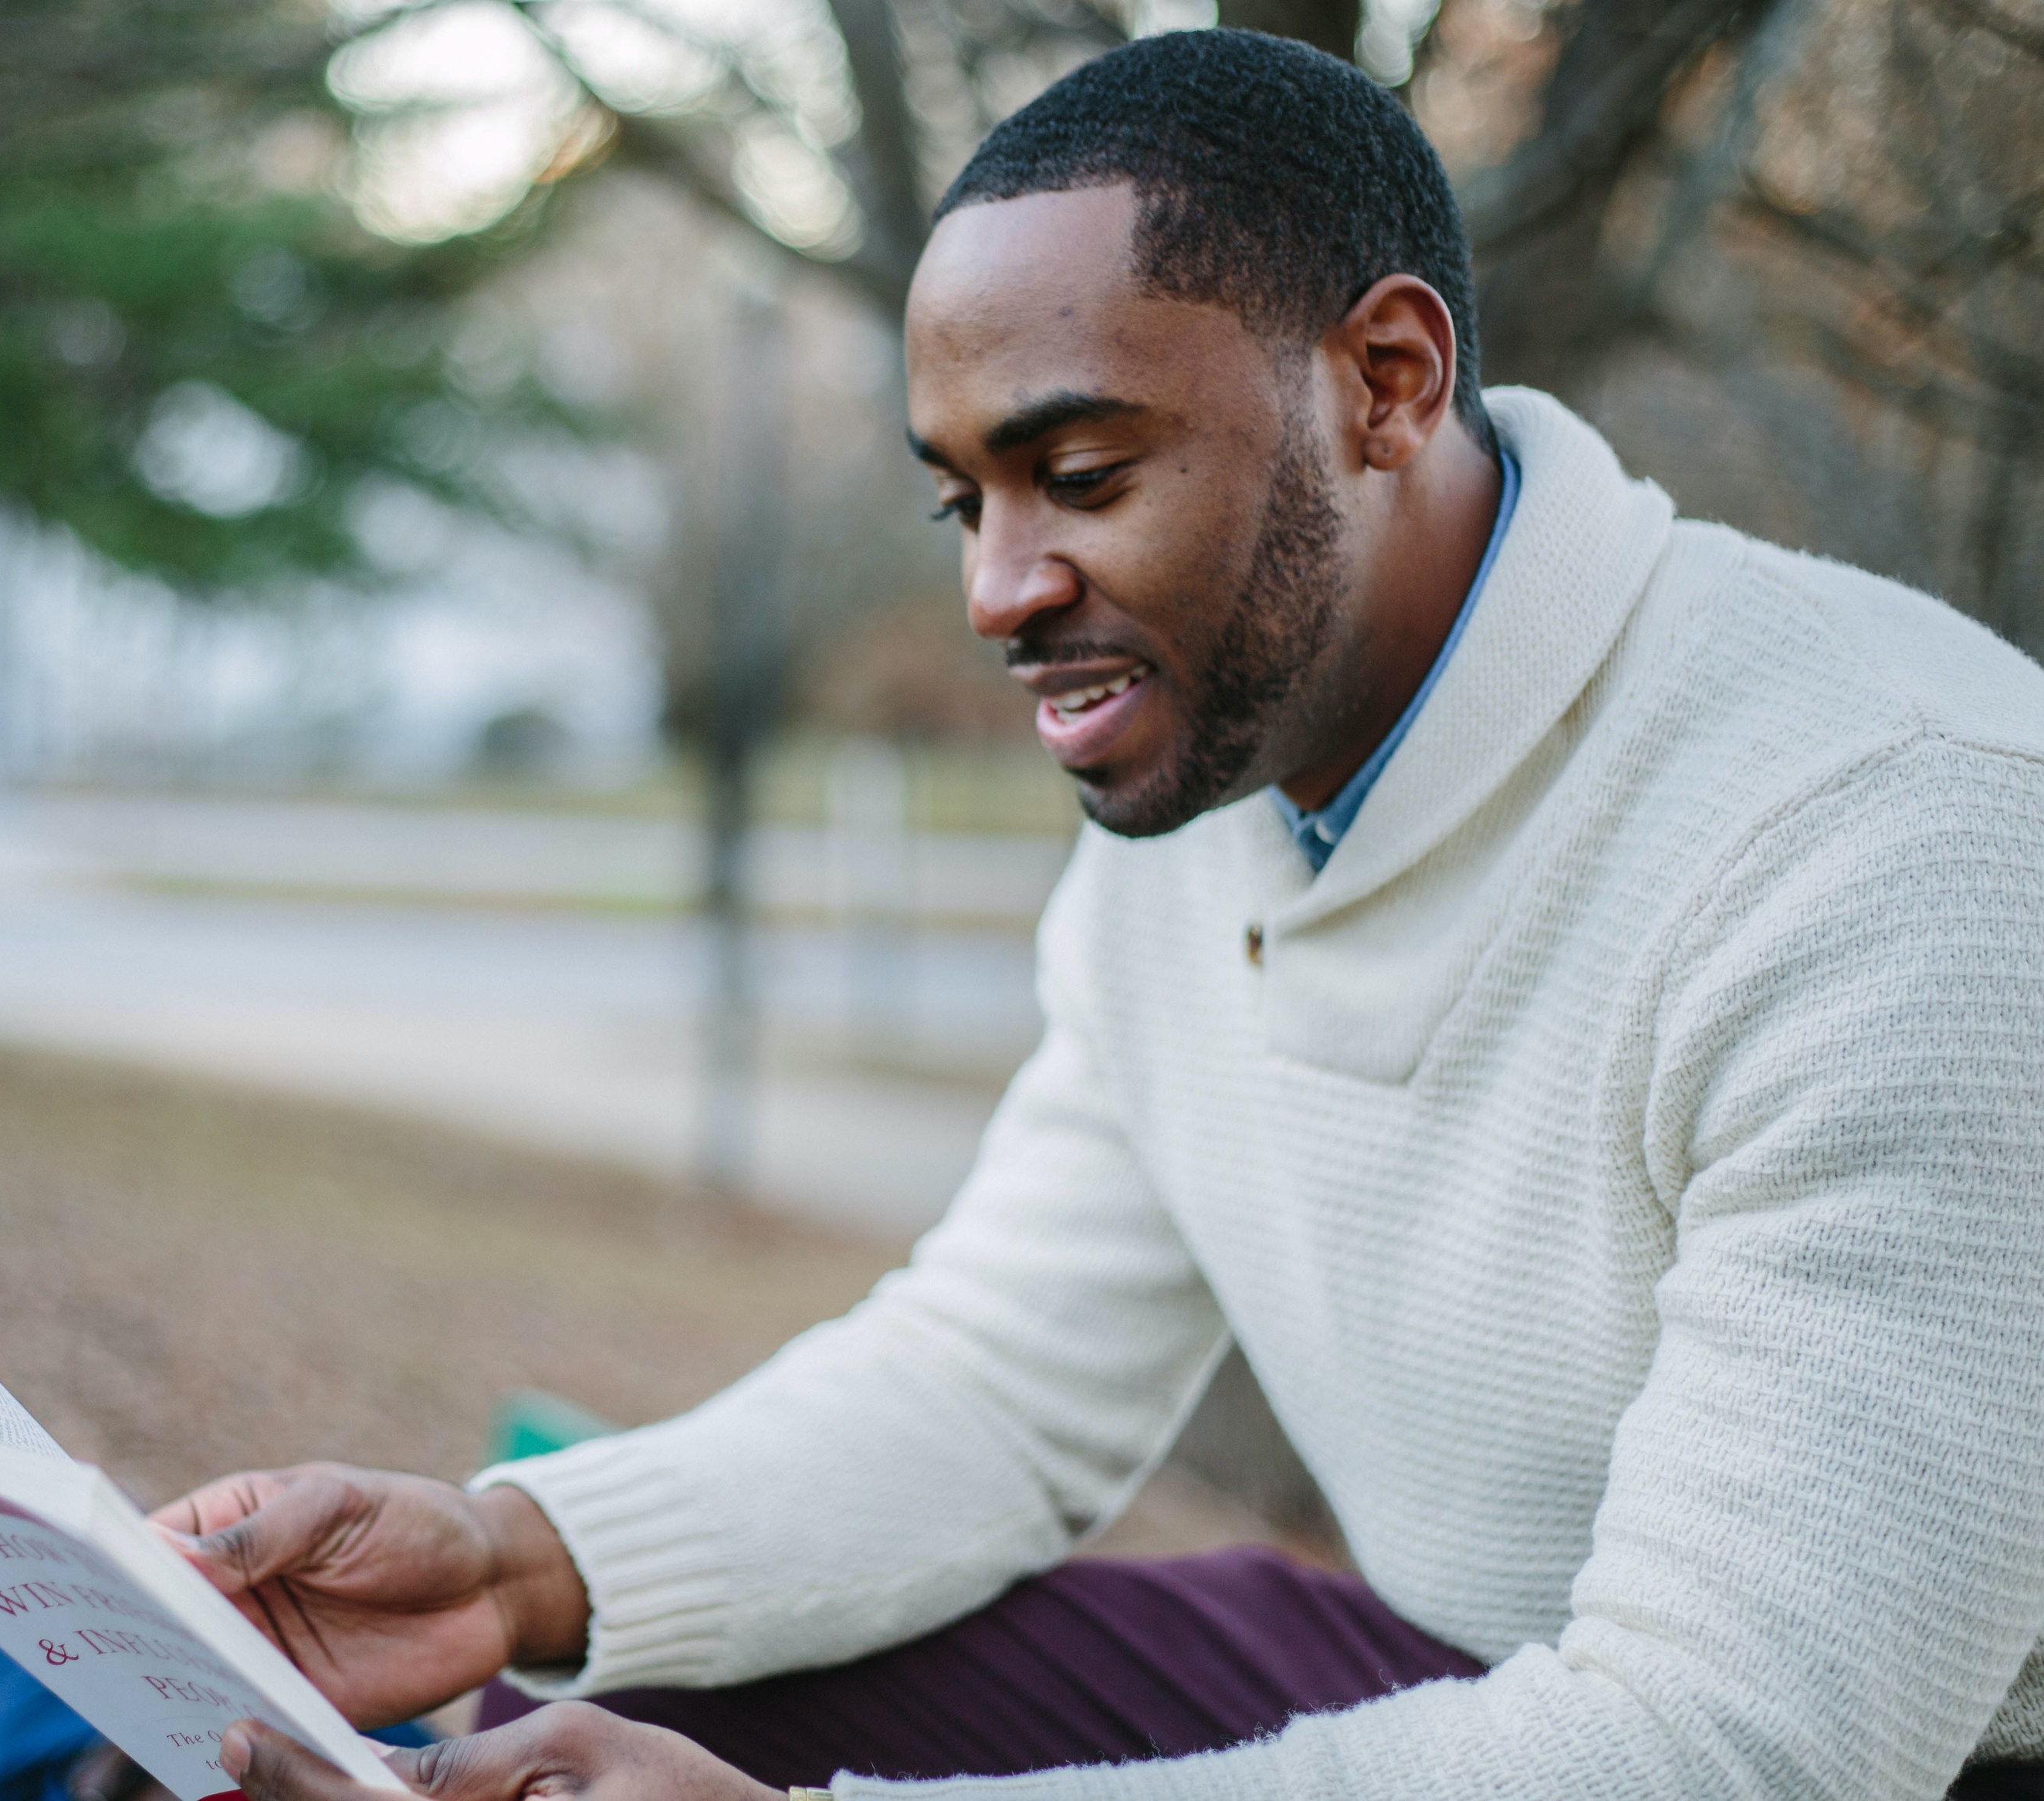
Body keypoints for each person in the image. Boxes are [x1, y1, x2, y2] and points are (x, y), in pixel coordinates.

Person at [144, 27, 2044, 1801]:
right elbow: (995, 1384)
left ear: (1384, 381)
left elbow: (1732, 1753)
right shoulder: (1216, 791)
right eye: (958, 502)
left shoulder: (1895, 846)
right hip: (1470, 1659)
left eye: (1076, 475)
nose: (996, 588)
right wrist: (511, 1560)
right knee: (602, 1714)